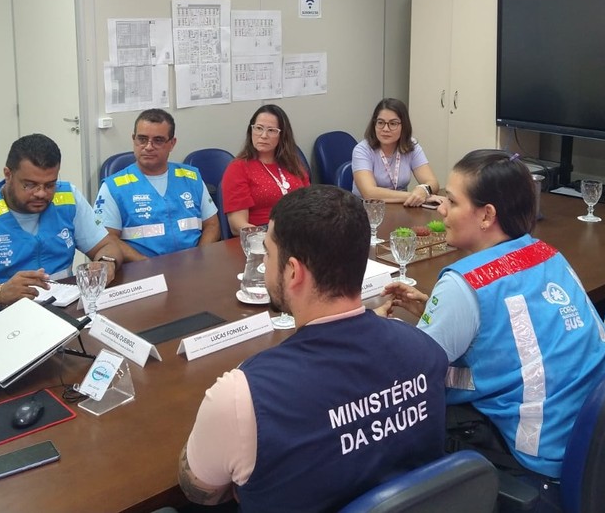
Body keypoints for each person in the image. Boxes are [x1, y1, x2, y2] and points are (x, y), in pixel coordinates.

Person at [179, 185, 448, 511]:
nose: (265, 264)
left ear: (293, 271)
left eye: (268, 252)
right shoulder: (426, 349)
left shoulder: (241, 396)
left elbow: (199, 490)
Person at [378, 150, 605, 479]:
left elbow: (413, 377)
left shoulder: (463, 283)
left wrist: (376, 333)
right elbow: (520, 335)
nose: (441, 209)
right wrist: (442, 312)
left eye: (452, 201)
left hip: (535, 452)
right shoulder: (547, 254)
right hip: (591, 435)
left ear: (486, 215)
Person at [0, 134, 123, 309]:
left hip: (63, 312)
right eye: (30, 185)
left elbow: (107, 246)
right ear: (8, 175)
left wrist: (106, 263)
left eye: (50, 184)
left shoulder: (68, 197)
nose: (41, 193)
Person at [95, 109, 220, 260]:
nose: (148, 146)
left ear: (172, 144)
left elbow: (212, 225)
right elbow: (108, 239)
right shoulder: (113, 187)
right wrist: (146, 265)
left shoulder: (191, 178)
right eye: (142, 139)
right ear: (133, 139)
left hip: (192, 267)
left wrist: (201, 257)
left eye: (158, 140)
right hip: (141, 272)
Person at [221, 104, 311, 234]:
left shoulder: (293, 164)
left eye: (271, 130)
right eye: (258, 128)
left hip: (300, 233)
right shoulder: (238, 168)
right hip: (261, 237)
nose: (263, 135)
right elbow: (237, 225)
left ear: (282, 135)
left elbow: (309, 205)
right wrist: (269, 237)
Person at [352, 98, 440, 207]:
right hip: (367, 210)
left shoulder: (411, 146)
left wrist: (423, 190)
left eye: (393, 124)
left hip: (400, 207)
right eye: (380, 123)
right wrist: (414, 196)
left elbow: (433, 182)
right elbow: (369, 193)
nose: (385, 129)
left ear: (404, 126)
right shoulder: (362, 150)